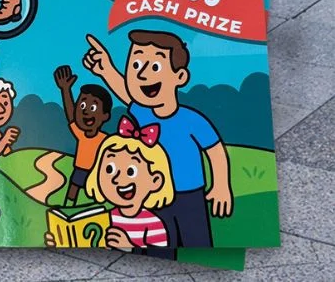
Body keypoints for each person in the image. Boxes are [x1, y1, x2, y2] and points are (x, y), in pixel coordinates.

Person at [84, 30, 231, 249]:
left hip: (189, 195)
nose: (142, 74)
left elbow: (215, 149)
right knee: (159, 245)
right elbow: (128, 93)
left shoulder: (192, 120)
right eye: (135, 65)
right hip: (154, 194)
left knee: (197, 242)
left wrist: (220, 185)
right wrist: (106, 69)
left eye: (154, 67)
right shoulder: (142, 112)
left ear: (180, 77)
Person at [46, 120, 175, 250]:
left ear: (155, 181)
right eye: (109, 169)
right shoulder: (105, 218)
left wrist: (130, 247)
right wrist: (60, 240)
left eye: (131, 171)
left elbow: (162, 254)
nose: (118, 178)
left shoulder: (153, 223)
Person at [53, 64, 112, 206]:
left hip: (97, 171)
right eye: (82, 105)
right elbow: (71, 116)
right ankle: (68, 207)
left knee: (98, 194)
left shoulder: (106, 139)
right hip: (80, 169)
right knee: (73, 190)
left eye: (93, 107)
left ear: (105, 116)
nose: (86, 112)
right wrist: (66, 90)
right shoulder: (82, 134)